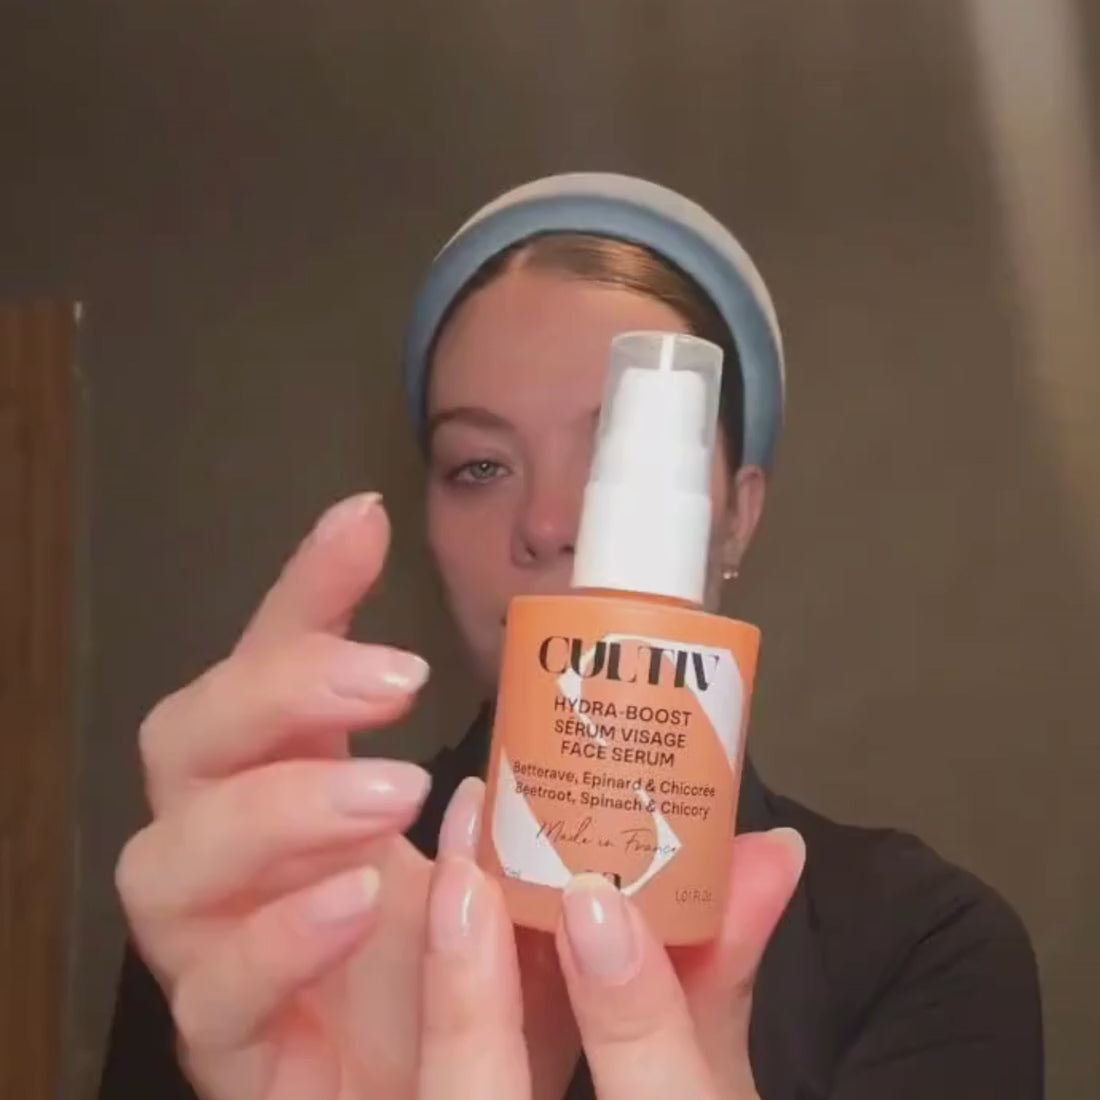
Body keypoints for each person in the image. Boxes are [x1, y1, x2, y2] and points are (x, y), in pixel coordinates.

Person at [99, 174, 1043, 1100]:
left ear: (736, 516)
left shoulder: (926, 949)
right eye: (479, 466)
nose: (549, 524)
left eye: (612, 447)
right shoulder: (272, 919)